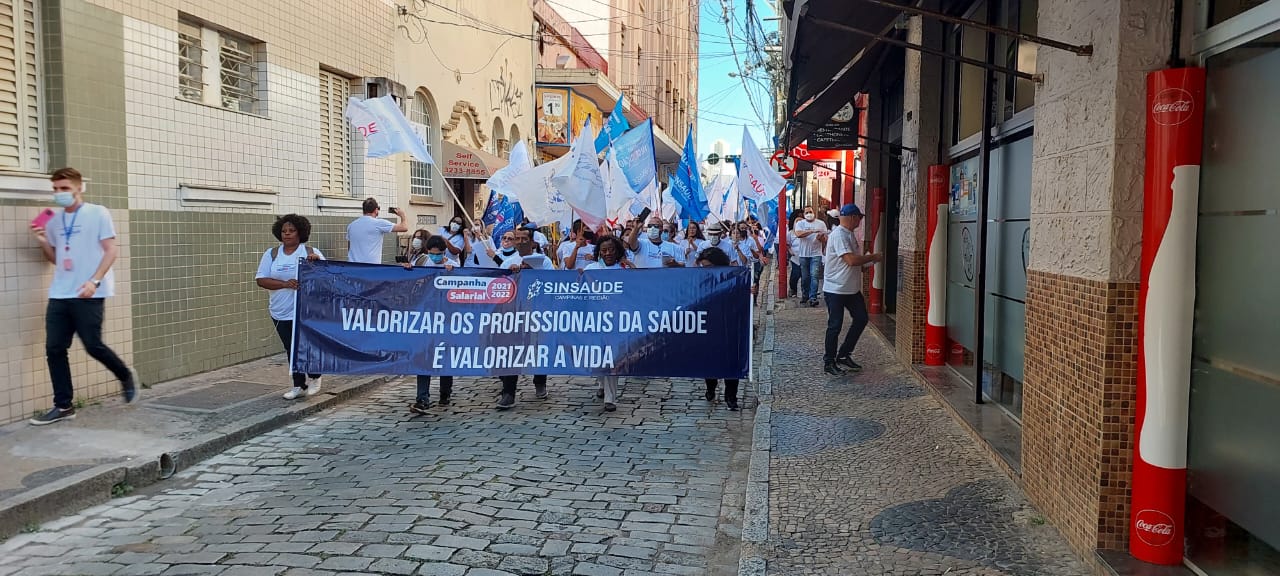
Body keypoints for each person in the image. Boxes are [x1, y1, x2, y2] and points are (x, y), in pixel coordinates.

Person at [28, 168, 137, 425]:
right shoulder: (53, 220)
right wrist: (42, 240)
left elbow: (111, 250)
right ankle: (63, 405)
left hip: (89, 292)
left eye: (64, 188)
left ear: (79, 188)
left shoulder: (98, 213)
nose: (59, 193)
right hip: (60, 292)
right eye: (55, 189)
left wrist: (94, 281)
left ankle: (124, 375)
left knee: (92, 345)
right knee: (55, 348)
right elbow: (56, 259)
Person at [255, 214, 326, 399]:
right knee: (291, 348)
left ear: (300, 233)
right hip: (280, 310)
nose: (287, 234)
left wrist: (316, 263)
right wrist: (285, 284)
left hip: (305, 310)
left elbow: (325, 276)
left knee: (305, 345)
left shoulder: (310, 251)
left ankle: (315, 376)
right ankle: (298, 384)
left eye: (291, 231)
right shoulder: (272, 254)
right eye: (284, 231)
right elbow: (261, 280)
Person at [496, 226, 553, 410]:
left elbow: (552, 284)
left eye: (524, 239)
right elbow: (500, 287)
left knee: (538, 348)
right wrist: (511, 275)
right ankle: (508, 392)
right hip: (514, 313)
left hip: (538, 312)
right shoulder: (507, 262)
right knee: (511, 350)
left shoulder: (544, 261)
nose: (520, 242)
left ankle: (540, 380)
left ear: (532, 242)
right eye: (517, 239)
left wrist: (532, 272)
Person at [822, 204, 883, 376]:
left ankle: (844, 354)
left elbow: (855, 264)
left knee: (861, 318)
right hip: (836, 289)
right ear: (853, 217)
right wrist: (873, 257)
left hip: (851, 289)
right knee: (835, 325)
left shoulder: (849, 235)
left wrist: (868, 262)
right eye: (859, 218)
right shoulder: (839, 235)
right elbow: (851, 260)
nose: (860, 221)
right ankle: (829, 361)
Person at [408, 236, 458, 412]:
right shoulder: (421, 262)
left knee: (444, 355)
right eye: (432, 253)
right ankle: (422, 398)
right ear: (427, 251)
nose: (435, 257)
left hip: (447, 318)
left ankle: (445, 392)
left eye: (439, 254)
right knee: (424, 356)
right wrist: (407, 270)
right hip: (426, 317)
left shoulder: (453, 265)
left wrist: (453, 274)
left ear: (444, 252)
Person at [585, 236, 631, 412]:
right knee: (597, 358)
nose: (608, 253)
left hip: (616, 322)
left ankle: (610, 398)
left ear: (617, 251)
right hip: (594, 320)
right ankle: (601, 383)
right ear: (599, 252)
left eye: (611, 250)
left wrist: (633, 269)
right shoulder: (591, 269)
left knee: (612, 359)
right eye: (604, 250)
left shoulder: (624, 270)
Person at [695, 246, 741, 410]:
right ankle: (711, 386)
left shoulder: (734, 277)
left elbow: (741, 298)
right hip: (709, 325)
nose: (705, 270)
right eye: (703, 267)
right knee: (710, 359)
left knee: (732, 361)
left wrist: (750, 291)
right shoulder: (700, 281)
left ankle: (731, 396)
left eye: (708, 266)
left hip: (730, 324)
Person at [347, 198, 407, 263]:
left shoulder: (351, 225)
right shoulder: (378, 223)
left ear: (363, 210)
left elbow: (349, 247)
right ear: (376, 210)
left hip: (353, 266)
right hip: (371, 266)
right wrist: (402, 215)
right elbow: (404, 228)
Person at [793, 205, 829, 307]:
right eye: (807, 212)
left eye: (810, 212)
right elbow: (798, 234)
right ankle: (805, 295)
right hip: (803, 254)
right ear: (804, 214)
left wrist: (820, 238)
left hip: (816, 254)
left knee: (814, 275)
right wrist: (812, 231)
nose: (809, 214)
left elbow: (825, 239)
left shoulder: (821, 224)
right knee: (805, 277)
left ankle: (813, 297)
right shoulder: (800, 223)